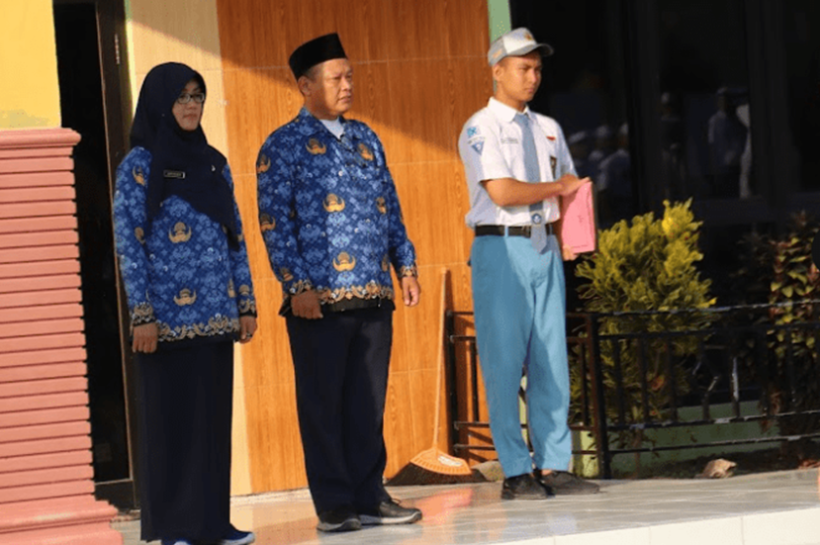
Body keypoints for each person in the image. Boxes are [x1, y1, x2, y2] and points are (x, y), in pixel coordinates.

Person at [256, 33, 423, 532]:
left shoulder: (367, 138)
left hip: (373, 291)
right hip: (318, 301)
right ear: (306, 86)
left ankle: (371, 496)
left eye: (350, 75)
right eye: (337, 77)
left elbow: (389, 206)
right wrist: (295, 284)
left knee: (367, 402)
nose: (348, 85)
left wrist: (406, 266)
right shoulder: (282, 145)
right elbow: (273, 222)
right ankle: (334, 504)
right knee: (323, 404)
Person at [113, 62, 257, 545]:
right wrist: (143, 313)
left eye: (198, 95)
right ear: (159, 103)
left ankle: (213, 524)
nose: (192, 104)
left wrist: (247, 303)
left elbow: (234, 234)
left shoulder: (213, 162)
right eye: (181, 96)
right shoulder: (138, 166)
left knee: (212, 426)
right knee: (172, 426)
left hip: (217, 315)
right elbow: (130, 244)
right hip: (166, 324)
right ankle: (176, 527)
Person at [457, 28, 600, 500]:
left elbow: (570, 188)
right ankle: (516, 470)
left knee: (550, 360)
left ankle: (555, 464)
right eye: (523, 67)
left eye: (537, 68)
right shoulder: (481, 127)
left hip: (544, 248)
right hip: (501, 248)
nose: (532, 76)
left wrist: (570, 235)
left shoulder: (550, 128)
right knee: (503, 363)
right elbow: (501, 191)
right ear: (497, 71)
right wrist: (559, 189)